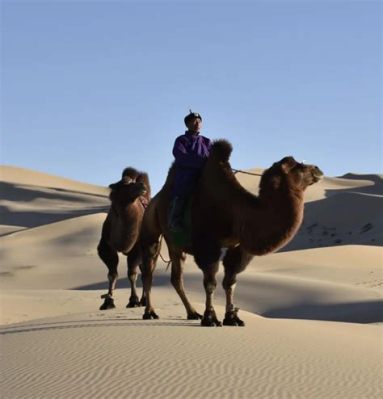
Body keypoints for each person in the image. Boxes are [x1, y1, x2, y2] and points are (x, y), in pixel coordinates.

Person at [168, 111, 212, 232]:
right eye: (194, 121)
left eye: (199, 121)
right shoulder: (181, 140)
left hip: (206, 175)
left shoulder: (207, 142)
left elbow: (212, 158)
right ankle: (174, 220)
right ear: (187, 124)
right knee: (183, 190)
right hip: (187, 174)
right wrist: (200, 163)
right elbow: (180, 155)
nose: (197, 123)